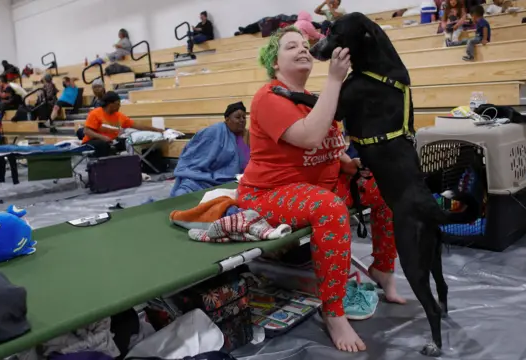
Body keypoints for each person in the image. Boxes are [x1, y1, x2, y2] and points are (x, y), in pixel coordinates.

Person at [238, 27, 404, 353]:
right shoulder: (268, 97)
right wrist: (335, 80)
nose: (302, 49)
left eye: (304, 44)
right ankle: (333, 310)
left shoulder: (314, 96)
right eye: (290, 46)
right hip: (270, 193)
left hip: (318, 186)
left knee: (385, 186)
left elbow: (327, 145)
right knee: (328, 206)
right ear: (275, 63)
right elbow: (309, 137)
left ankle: (382, 269)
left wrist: (347, 164)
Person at [170, 101, 250, 197]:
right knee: (183, 194)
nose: (242, 120)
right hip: (204, 177)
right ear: (227, 119)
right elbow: (197, 157)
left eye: (244, 117)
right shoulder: (215, 131)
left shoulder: (245, 135)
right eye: (237, 117)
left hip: (232, 180)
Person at [82, 91, 164, 157]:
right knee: (103, 145)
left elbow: (137, 125)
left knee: (129, 141)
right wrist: (103, 137)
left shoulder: (120, 116)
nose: (119, 106)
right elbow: (87, 131)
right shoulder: (95, 113)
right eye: (118, 104)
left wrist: (155, 129)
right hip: (92, 142)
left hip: (111, 141)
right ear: (111, 104)